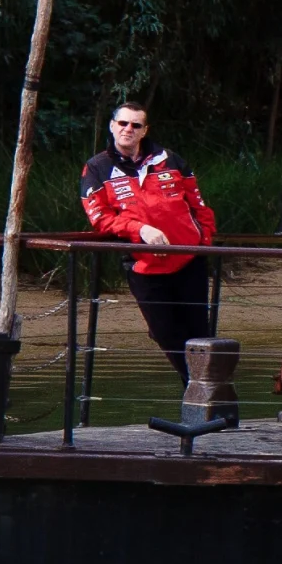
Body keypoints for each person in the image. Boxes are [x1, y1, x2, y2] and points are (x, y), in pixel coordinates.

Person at [78, 101, 216, 381]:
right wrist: (139, 229)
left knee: (200, 335)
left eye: (135, 125)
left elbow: (199, 205)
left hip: (189, 260)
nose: (128, 129)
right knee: (166, 333)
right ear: (112, 126)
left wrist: (204, 241)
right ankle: (198, 390)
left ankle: (205, 398)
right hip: (144, 267)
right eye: (123, 123)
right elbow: (100, 218)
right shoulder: (96, 168)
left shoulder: (171, 159)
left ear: (144, 131)